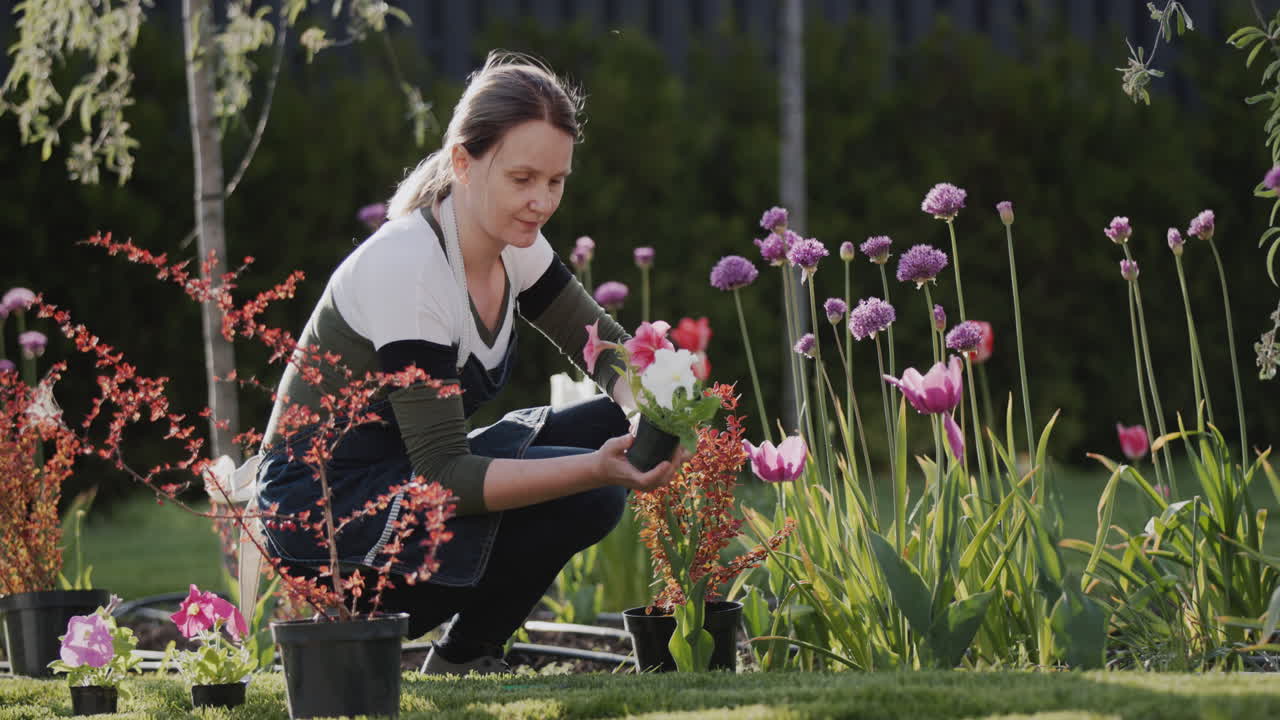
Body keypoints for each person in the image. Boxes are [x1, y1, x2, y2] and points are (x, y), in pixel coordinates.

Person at [254, 51, 687, 674]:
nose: (540, 202)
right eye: (522, 179)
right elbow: (444, 475)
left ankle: (464, 652)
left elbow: (597, 342)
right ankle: (465, 653)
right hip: (325, 518)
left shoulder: (514, 244)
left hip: (405, 474)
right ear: (463, 161)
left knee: (608, 423)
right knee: (593, 496)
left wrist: (659, 411)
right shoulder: (409, 267)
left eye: (556, 182)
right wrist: (597, 470)